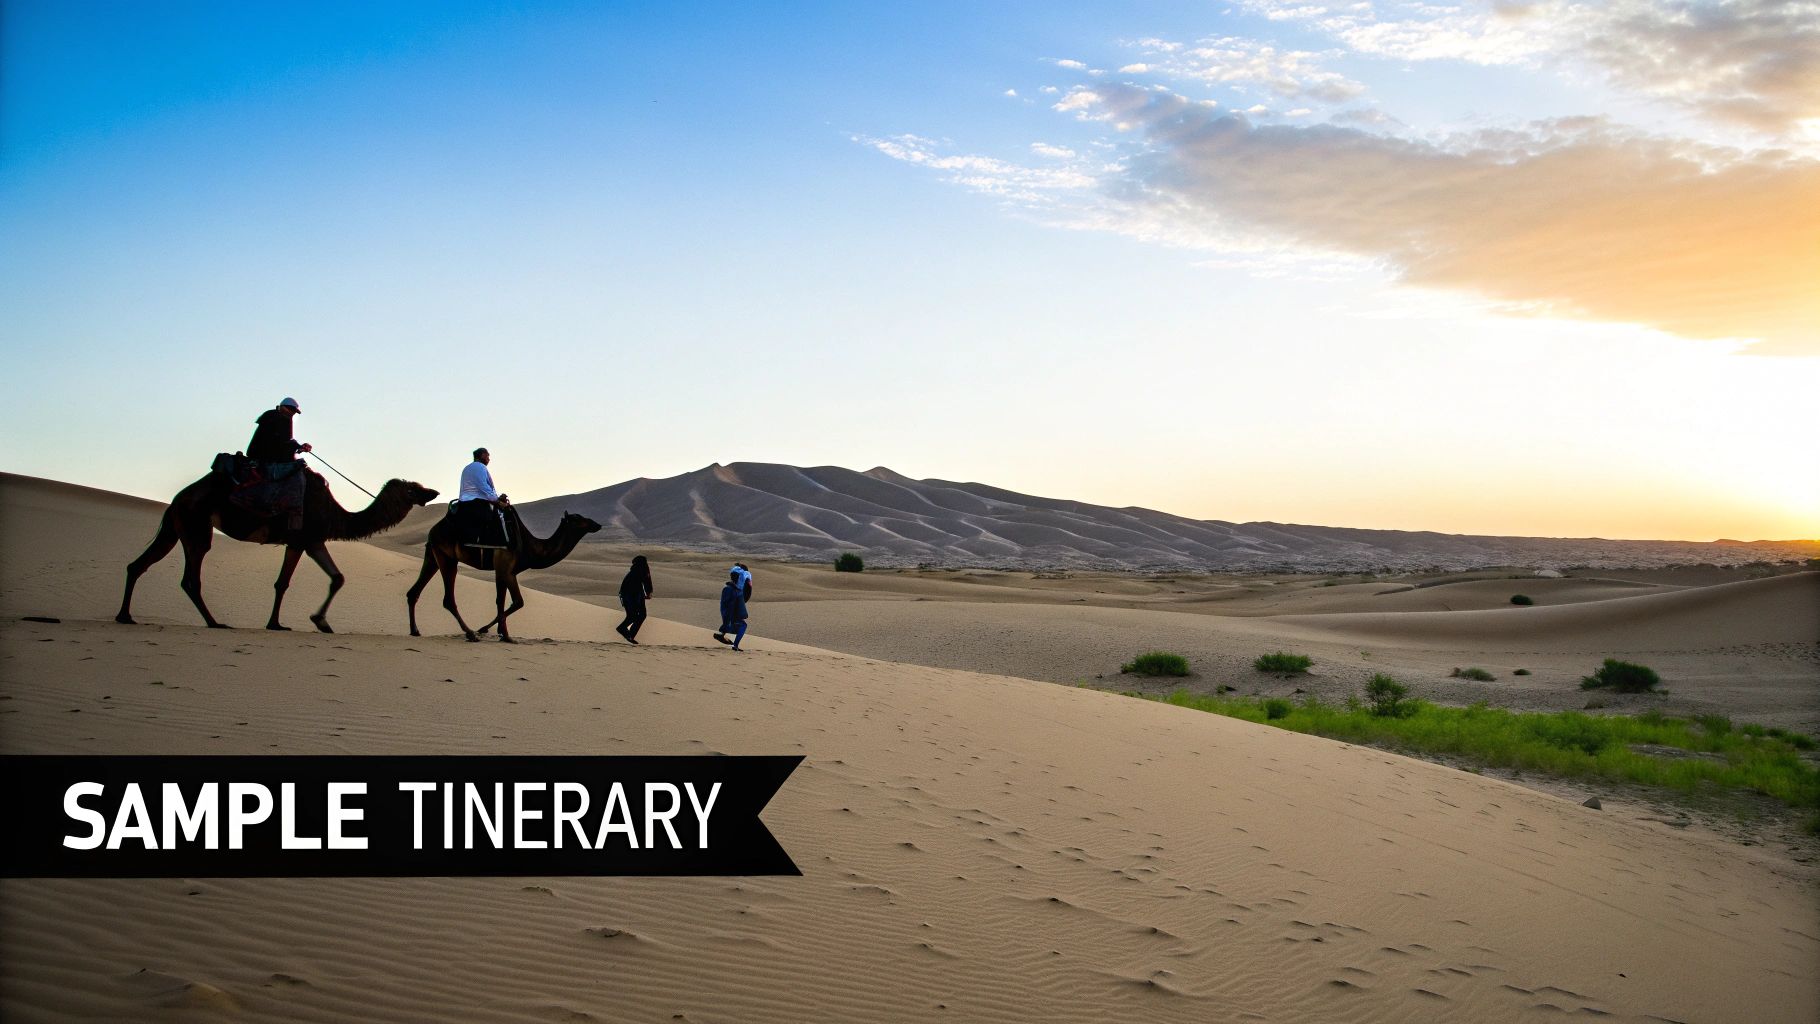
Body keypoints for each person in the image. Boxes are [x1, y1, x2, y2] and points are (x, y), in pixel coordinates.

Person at [456, 447, 510, 547]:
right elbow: (484, 488)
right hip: (476, 504)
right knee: (497, 522)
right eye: (488, 456)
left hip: (464, 504)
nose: (489, 459)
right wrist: (498, 501)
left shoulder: (467, 468)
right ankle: (499, 546)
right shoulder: (480, 467)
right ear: (483, 455)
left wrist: (497, 498)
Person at [247, 397, 312, 477]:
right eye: (292, 410)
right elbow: (278, 441)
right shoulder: (273, 417)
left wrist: (299, 447)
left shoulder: (282, 418)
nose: (293, 413)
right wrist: (297, 446)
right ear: (284, 408)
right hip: (263, 458)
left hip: (269, 457)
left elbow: (285, 441)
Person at [616, 555, 653, 644]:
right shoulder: (641, 569)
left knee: (635, 616)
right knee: (636, 615)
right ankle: (627, 633)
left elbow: (646, 580)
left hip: (631, 594)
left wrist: (647, 593)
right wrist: (648, 593)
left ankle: (630, 635)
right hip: (631, 595)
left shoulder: (635, 570)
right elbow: (647, 580)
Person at [715, 570, 748, 651]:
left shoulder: (733, 589)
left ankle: (722, 635)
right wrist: (728, 617)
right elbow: (728, 604)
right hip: (732, 614)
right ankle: (734, 645)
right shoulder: (731, 590)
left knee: (739, 626)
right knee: (743, 626)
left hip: (732, 613)